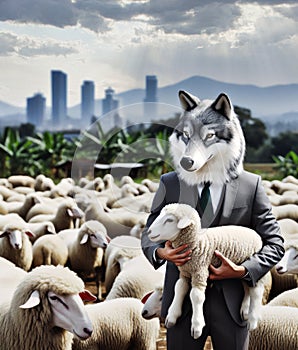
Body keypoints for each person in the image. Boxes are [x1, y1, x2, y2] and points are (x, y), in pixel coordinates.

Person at [141, 90, 284, 350]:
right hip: (181, 305)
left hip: (232, 304)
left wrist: (243, 270)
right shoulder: (170, 184)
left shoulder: (250, 186)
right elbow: (148, 232)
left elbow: (274, 243)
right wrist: (161, 252)